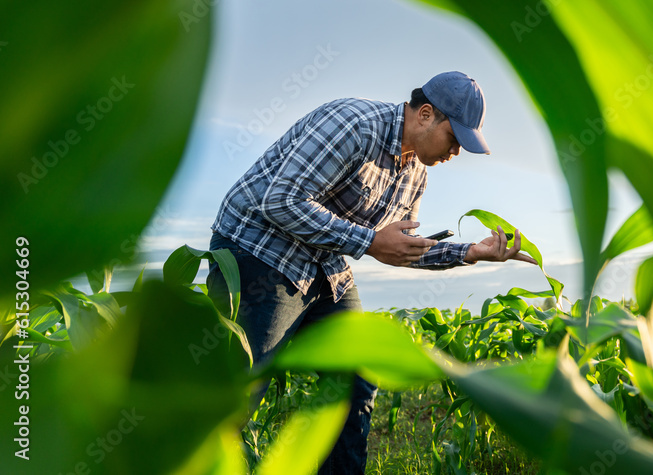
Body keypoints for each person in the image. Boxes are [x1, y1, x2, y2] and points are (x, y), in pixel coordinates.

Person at [204, 71, 537, 474]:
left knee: (356, 376)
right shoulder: (354, 126)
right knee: (239, 389)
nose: (456, 152)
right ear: (426, 114)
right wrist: (368, 241)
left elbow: (401, 248)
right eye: (454, 139)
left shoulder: (416, 174)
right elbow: (280, 201)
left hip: (323, 263)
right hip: (258, 249)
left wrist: (472, 252)